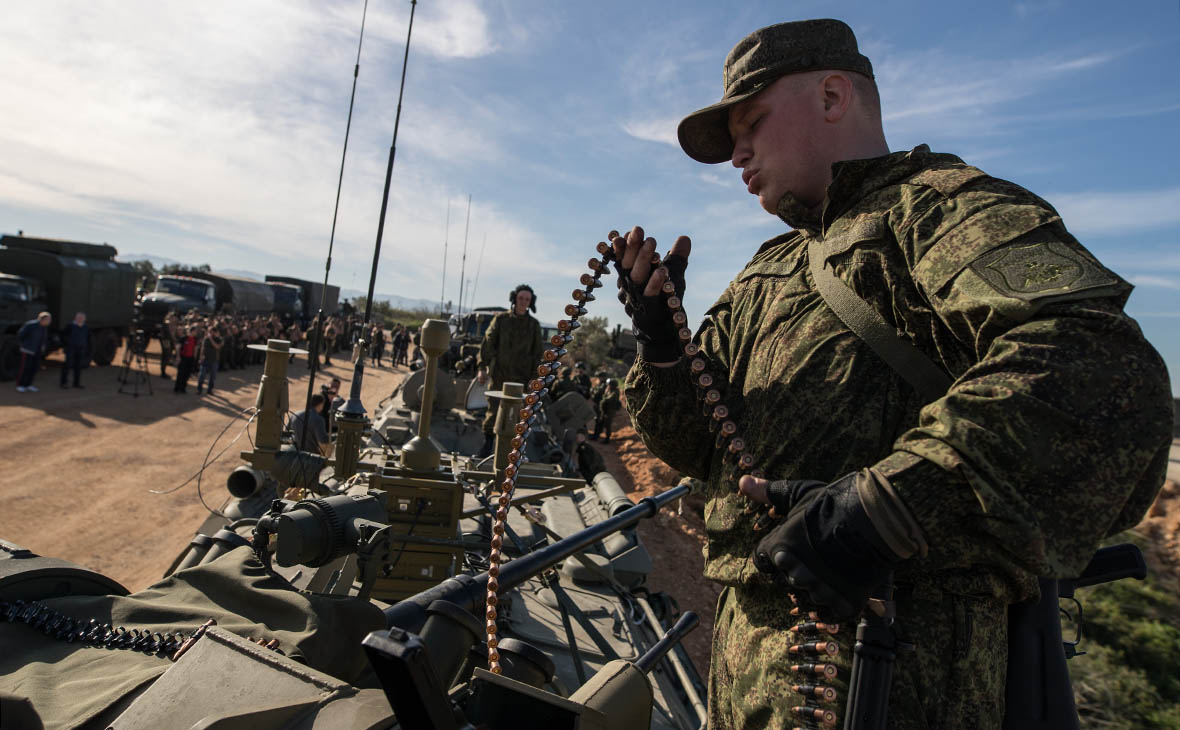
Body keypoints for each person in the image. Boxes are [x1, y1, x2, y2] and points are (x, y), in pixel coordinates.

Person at [614, 19, 1173, 730]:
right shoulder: (767, 270)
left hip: (897, 679)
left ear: (832, 95)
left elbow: (1102, 372)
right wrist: (662, 346)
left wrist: (887, 509)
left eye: (751, 121)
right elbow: (695, 448)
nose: (739, 155)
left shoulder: (940, 209)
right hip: (749, 673)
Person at [476, 284, 544, 457]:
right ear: (514, 298)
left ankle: (512, 453)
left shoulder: (534, 326)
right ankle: (486, 447)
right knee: (493, 412)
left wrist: (534, 378)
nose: (523, 302)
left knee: (518, 416)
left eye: (527, 300)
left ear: (531, 302)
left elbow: (538, 354)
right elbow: (488, 343)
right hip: (499, 375)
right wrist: (482, 368)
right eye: (521, 298)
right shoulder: (500, 320)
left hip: (522, 379)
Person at [15, 311, 51, 392]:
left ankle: (28, 385)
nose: (49, 321)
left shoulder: (44, 327)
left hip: (37, 351)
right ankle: (20, 385)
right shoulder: (30, 325)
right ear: (43, 319)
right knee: (24, 368)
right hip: (27, 350)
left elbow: (43, 339)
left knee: (33, 368)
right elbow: (21, 335)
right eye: (48, 319)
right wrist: (25, 345)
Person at [59, 311, 90, 389]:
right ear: (75, 318)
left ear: (84, 319)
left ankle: (76, 383)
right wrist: (67, 344)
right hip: (70, 349)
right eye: (79, 317)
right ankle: (63, 383)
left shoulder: (85, 327)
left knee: (78, 367)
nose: (80, 319)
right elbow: (63, 336)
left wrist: (85, 348)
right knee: (67, 366)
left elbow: (88, 338)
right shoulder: (70, 326)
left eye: (82, 318)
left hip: (81, 349)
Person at [196, 324, 223, 395]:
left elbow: (217, 347)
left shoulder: (219, 339)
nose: (209, 333)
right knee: (202, 375)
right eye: (209, 331)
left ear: (215, 332)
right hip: (205, 360)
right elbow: (202, 348)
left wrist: (211, 339)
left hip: (214, 360)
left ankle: (210, 390)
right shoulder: (205, 339)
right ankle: (199, 389)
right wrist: (200, 357)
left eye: (211, 332)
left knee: (212, 377)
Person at [591, 378, 620, 443]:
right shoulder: (609, 390)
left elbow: (609, 399)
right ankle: (596, 435)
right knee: (600, 422)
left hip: (610, 411)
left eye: (609, 384)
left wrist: (603, 400)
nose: (608, 385)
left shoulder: (615, 392)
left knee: (607, 425)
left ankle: (607, 439)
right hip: (605, 410)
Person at [173, 324, 198, 394]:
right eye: (195, 331)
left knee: (187, 374)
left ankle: (183, 388)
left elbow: (195, 349)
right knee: (181, 373)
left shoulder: (195, 339)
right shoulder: (184, 338)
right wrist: (178, 356)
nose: (196, 333)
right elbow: (178, 347)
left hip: (190, 358)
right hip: (183, 358)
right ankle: (177, 387)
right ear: (192, 331)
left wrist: (194, 358)